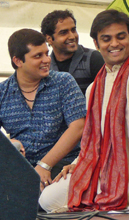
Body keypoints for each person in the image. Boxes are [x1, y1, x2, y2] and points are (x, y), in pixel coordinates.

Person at [39, 9, 129, 213]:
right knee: (48, 199)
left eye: (120, 37)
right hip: (102, 169)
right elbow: (94, 137)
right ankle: (120, 200)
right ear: (96, 44)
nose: (114, 44)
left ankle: (118, 199)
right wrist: (79, 163)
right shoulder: (94, 88)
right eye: (106, 39)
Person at [0, 29, 86, 190]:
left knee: (40, 197)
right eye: (38, 56)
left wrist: (45, 165)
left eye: (47, 53)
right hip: (21, 166)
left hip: (64, 164)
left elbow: (78, 127)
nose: (47, 59)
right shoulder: (2, 92)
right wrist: (9, 143)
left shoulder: (63, 82)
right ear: (18, 61)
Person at [41, 9, 105, 95]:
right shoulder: (45, 66)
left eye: (73, 30)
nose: (72, 36)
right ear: (49, 39)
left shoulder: (93, 59)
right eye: (64, 33)